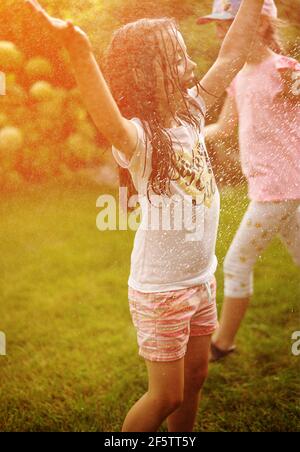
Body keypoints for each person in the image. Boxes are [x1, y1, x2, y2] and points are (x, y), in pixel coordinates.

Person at [25, 0, 265, 432]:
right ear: (148, 73)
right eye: (178, 57)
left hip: (199, 279)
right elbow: (108, 119)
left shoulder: (191, 112)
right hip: (162, 292)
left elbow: (231, 53)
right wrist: (80, 53)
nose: (190, 61)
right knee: (166, 395)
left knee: (196, 378)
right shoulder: (139, 137)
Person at [197, 0, 300, 362]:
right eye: (219, 25)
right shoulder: (239, 77)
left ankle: (222, 344)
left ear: (258, 24)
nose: (219, 32)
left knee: (237, 262)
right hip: (276, 189)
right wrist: (184, 137)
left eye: (227, 24)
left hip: (280, 189)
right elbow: (226, 127)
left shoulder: (286, 70)